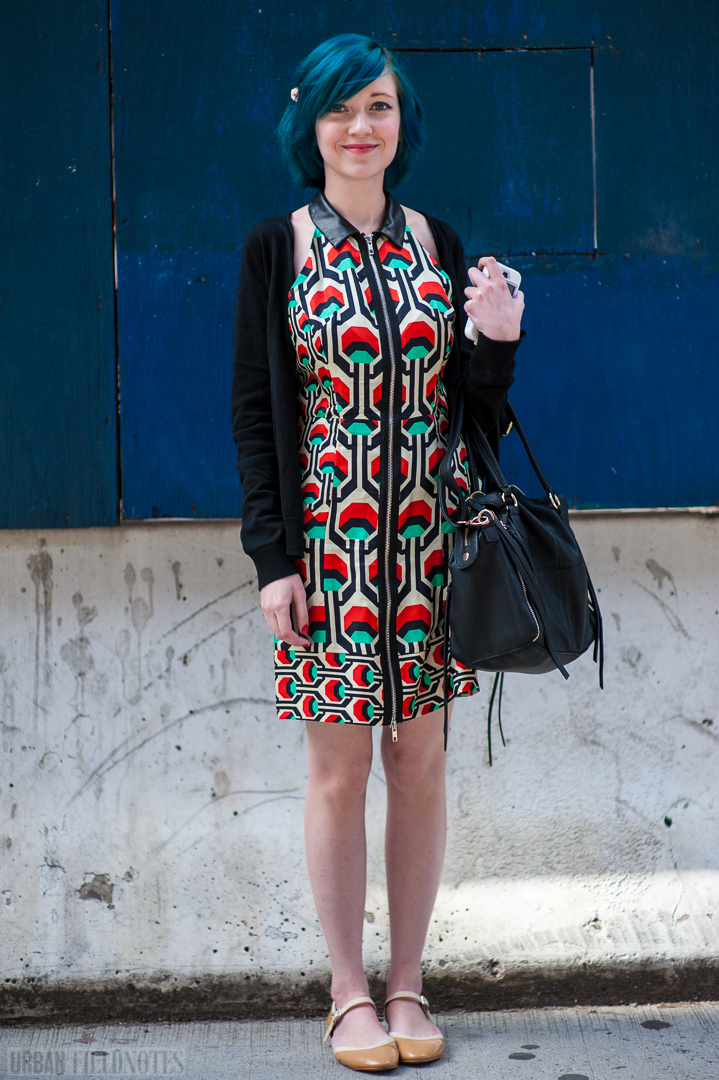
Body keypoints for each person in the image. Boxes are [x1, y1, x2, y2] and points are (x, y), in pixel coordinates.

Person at [231, 34, 524, 1072]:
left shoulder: (434, 243)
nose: (361, 128)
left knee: (421, 761)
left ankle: (406, 984)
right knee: (337, 768)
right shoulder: (280, 246)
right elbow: (256, 416)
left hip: (430, 547)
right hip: (330, 550)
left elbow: (471, 411)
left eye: (380, 107)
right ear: (307, 128)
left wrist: (493, 338)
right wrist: (272, 559)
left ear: (401, 124)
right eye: (340, 110)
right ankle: (345, 991)